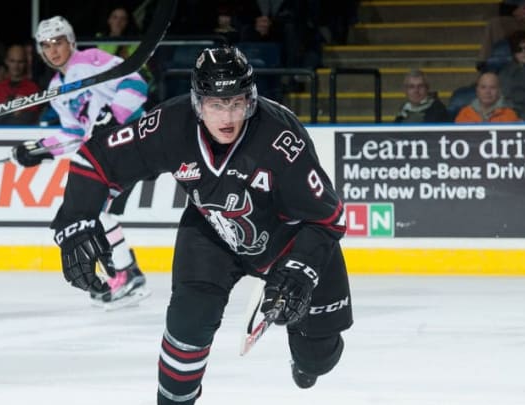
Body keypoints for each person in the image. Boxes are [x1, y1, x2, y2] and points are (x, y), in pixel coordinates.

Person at [50, 46, 353, 403]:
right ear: (197, 103)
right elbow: (97, 158)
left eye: (236, 103)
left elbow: (328, 217)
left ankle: (306, 361)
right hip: (213, 233)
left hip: (290, 242)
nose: (227, 116)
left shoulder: (280, 137)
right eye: (215, 104)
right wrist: (73, 221)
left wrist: (301, 269)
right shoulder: (171, 125)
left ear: (250, 100)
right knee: (187, 326)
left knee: (317, 357)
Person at [12, 15, 151, 310]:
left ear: (71, 42)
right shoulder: (56, 89)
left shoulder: (91, 59)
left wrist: (114, 117)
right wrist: (40, 150)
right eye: (46, 45)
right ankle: (127, 273)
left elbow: (136, 83)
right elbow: (75, 133)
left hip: (130, 138)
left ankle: (127, 273)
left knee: (96, 211)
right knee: (97, 212)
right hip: (108, 150)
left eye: (58, 42)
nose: (53, 50)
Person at [0, 43, 42, 125]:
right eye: (12, 61)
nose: (16, 66)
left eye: (20, 62)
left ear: (26, 63)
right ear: (6, 61)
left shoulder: (33, 88)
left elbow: (34, 117)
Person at [498, 29, 525, 119]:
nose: (524, 52)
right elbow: (503, 98)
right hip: (510, 117)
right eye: (518, 49)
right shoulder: (505, 72)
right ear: (513, 52)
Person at [454, 71, 521, 123]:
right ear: (477, 90)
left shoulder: (510, 115)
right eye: (483, 87)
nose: (487, 92)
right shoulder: (465, 114)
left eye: (492, 87)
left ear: (499, 91)